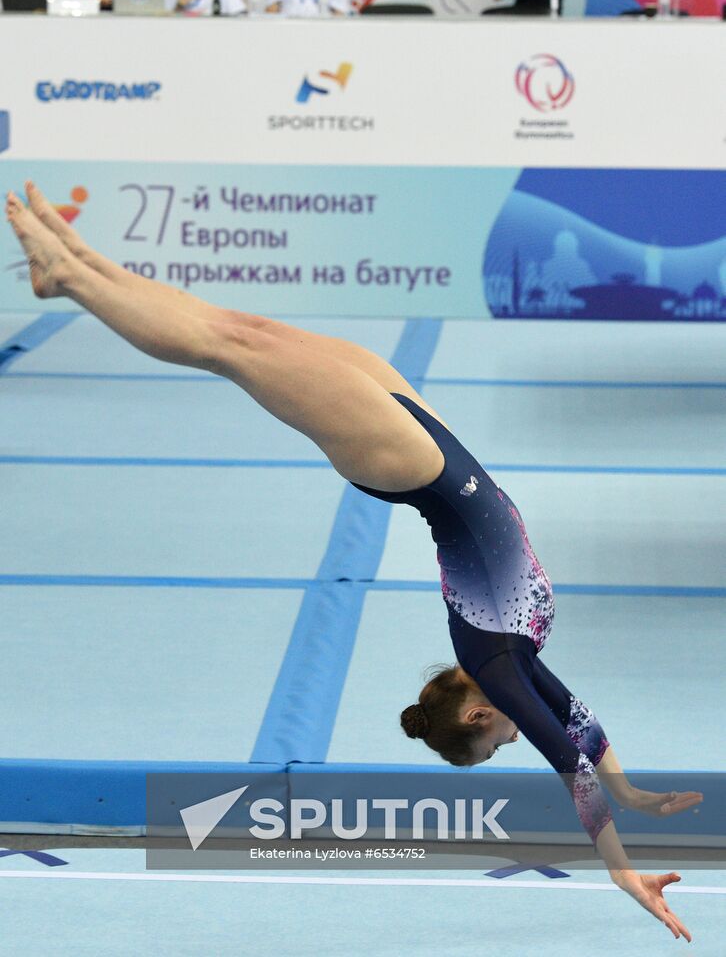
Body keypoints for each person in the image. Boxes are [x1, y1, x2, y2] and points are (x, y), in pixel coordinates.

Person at [6, 181, 702, 943]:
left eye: (496, 739)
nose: (512, 735)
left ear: (476, 714)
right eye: (507, 740)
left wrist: (619, 869)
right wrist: (630, 794)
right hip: (426, 442)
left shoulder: (497, 662)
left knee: (226, 348)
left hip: (406, 460)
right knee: (240, 328)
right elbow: (581, 730)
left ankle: (69, 275)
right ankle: (68, 258)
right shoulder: (516, 659)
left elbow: (568, 765)